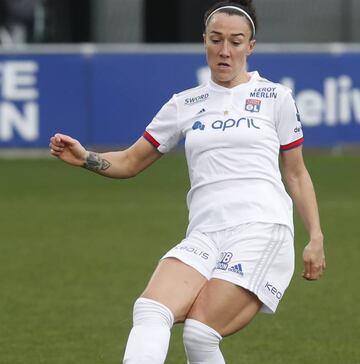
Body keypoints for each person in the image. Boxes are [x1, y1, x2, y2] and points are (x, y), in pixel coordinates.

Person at [49, 1, 326, 362]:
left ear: (251, 46)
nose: (224, 50)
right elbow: (131, 161)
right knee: (150, 310)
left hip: (262, 229)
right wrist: (85, 157)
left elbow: (296, 171)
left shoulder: (276, 97)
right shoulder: (185, 103)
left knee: (199, 332)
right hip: (205, 233)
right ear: (204, 42)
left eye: (236, 41)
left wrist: (315, 237)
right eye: (216, 40)